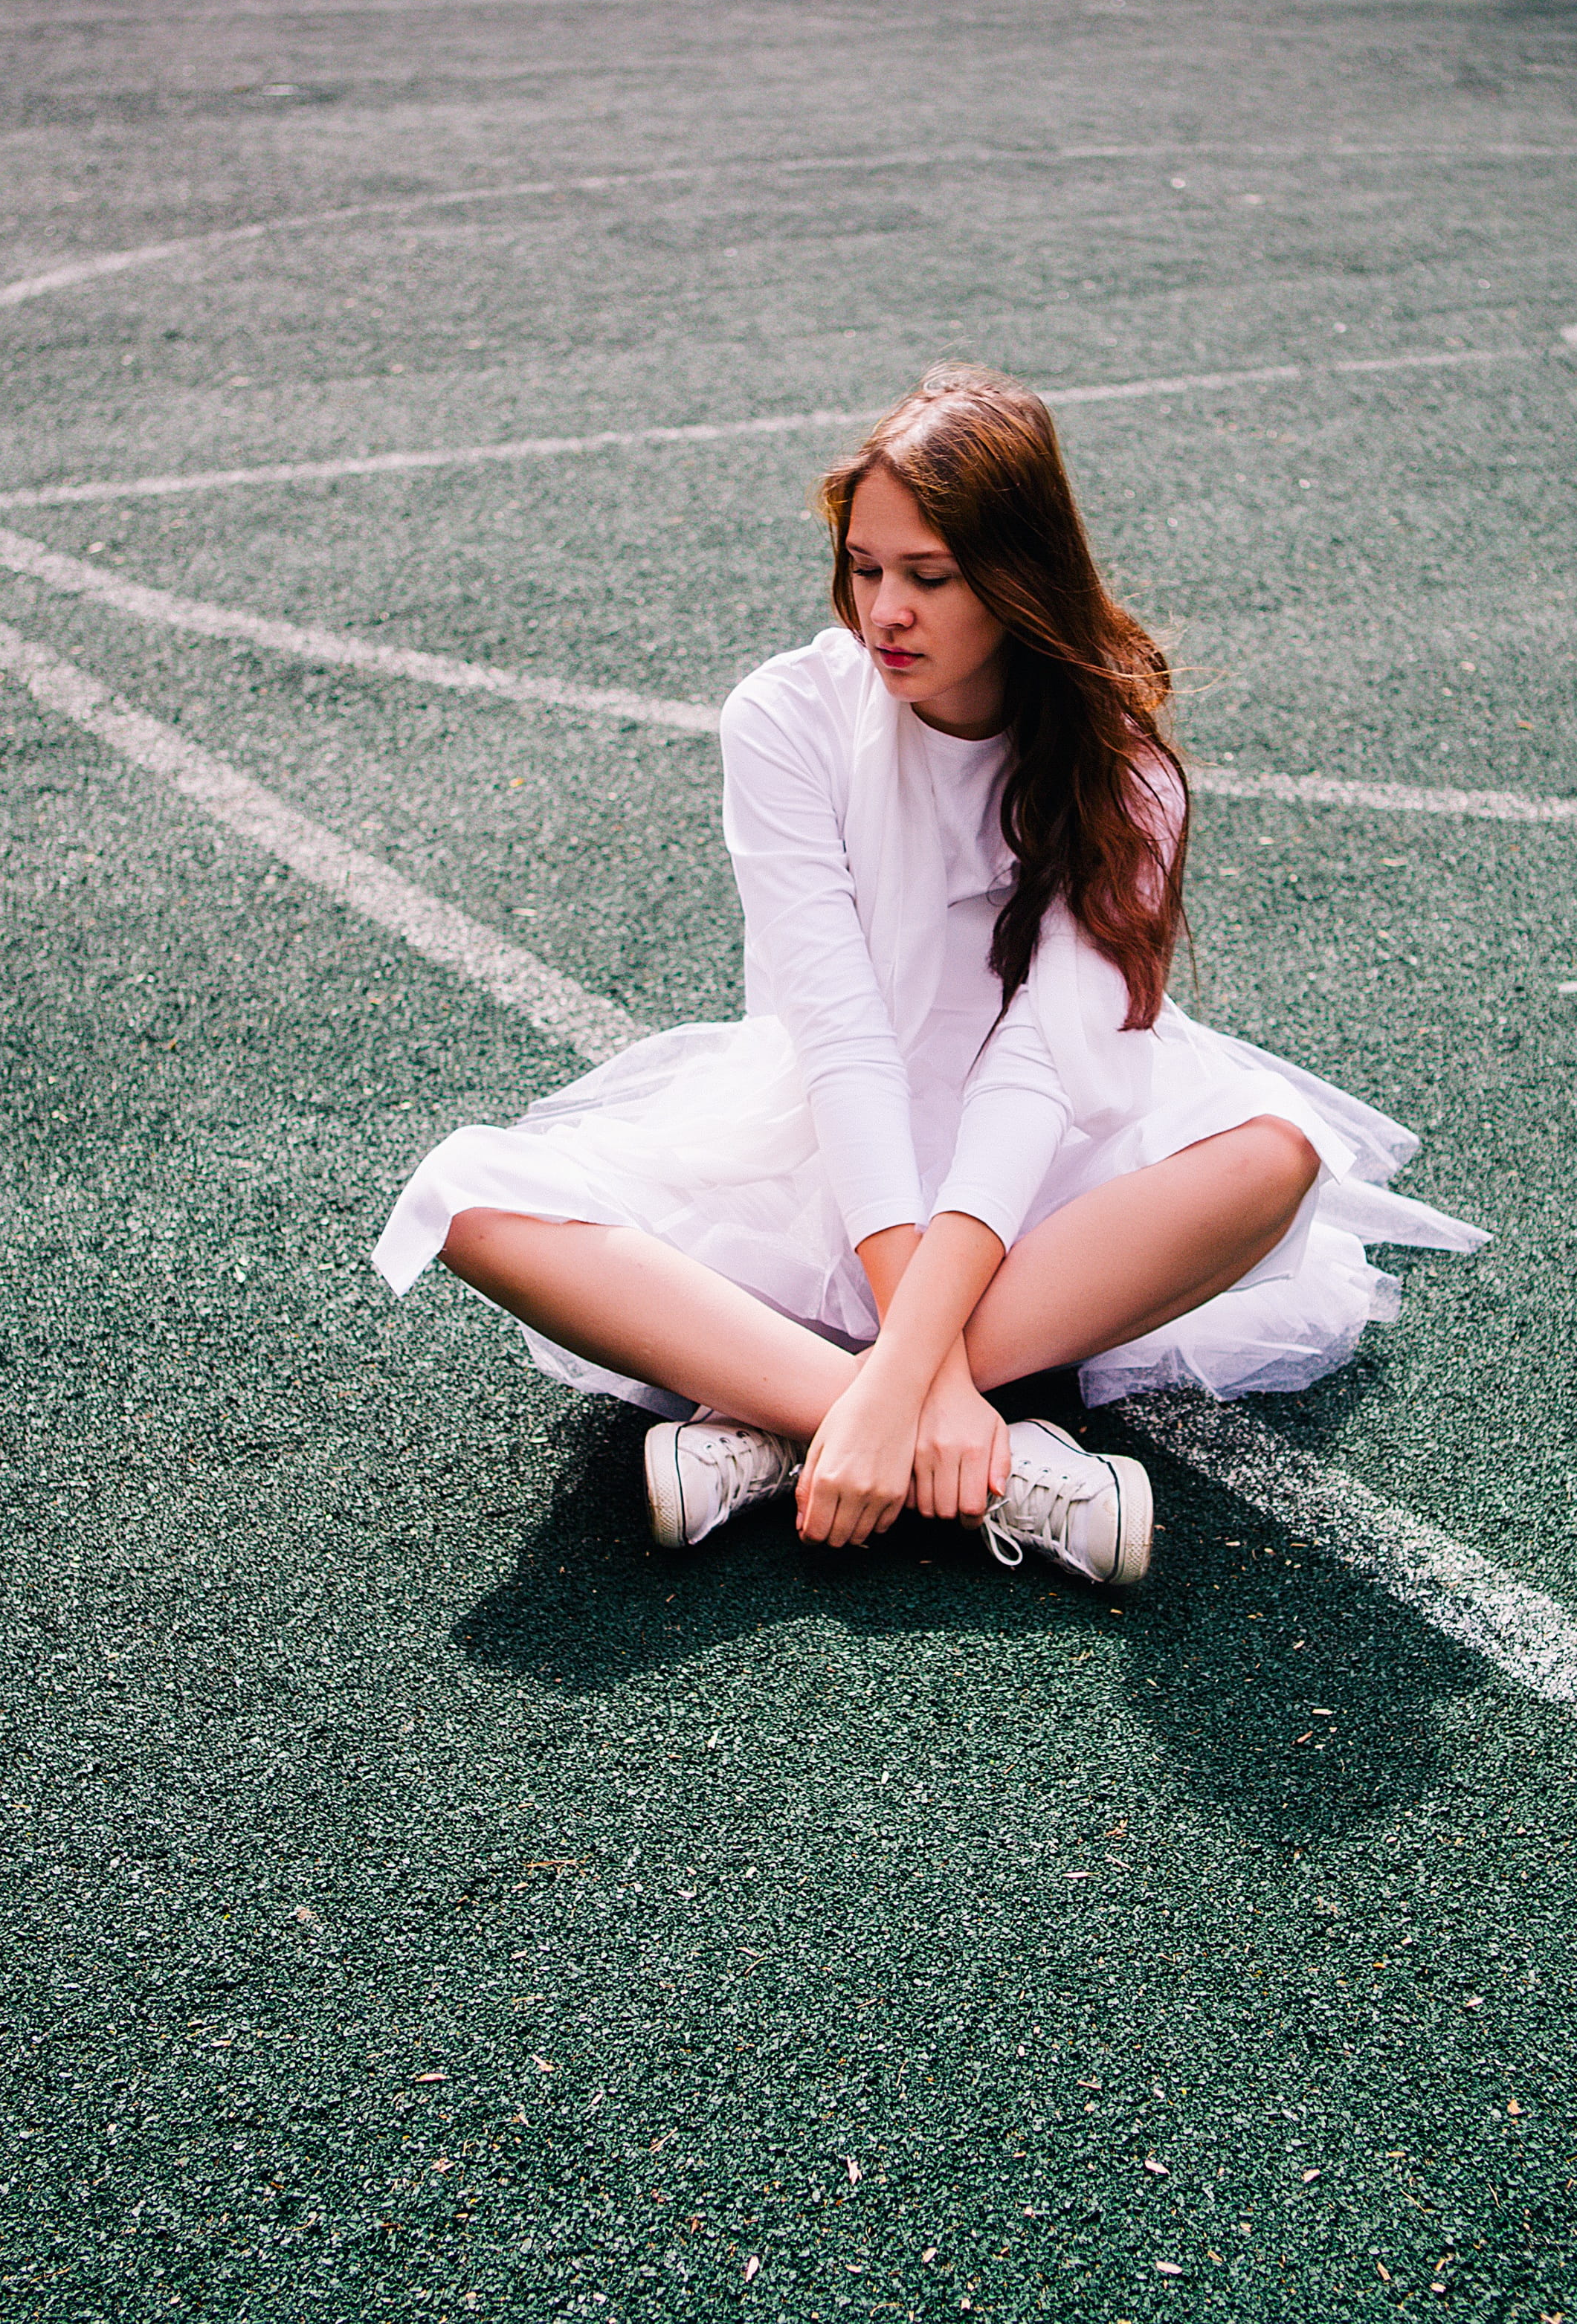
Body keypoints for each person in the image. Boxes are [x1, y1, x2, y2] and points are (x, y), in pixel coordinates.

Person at [372, 365, 1483, 1588]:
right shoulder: (786, 717)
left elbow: (1039, 1077)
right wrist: (927, 1384)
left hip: (1048, 1164)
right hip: (833, 1138)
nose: (885, 610)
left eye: (930, 576)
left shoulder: (1125, 775)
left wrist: (912, 1367)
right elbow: (843, 1044)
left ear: (1019, 578)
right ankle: (968, 1451)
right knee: (467, 1202)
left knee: (1275, 1157)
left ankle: (787, 1421)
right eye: (865, 568)